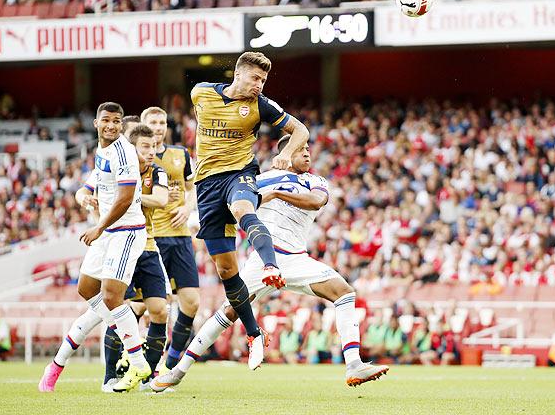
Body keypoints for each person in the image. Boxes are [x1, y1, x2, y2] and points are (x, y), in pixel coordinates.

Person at [151, 136, 388, 392]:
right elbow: (238, 205)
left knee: (344, 292)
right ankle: (178, 370)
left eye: (308, 149)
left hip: (297, 259)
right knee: (227, 312)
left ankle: (353, 364)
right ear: (285, 154)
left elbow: (317, 201)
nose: (307, 154)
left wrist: (276, 194)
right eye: (300, 149)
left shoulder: (315, 181)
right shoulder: (258, 180)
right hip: (263, 260)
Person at [186, 51, 309, 369]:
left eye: (263, 80)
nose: (259, 85)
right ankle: (255, 334)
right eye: (255, 78)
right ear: (237, 75)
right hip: (206, 186)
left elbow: (301, 131)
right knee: (227, 270)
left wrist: (288, 153)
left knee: (243, 207)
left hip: (240, 175)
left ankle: (271, 267)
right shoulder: (200, 93)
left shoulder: (261, 105)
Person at [39, 102, 151, 393]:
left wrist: (99, 226)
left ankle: (138, 363)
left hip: (125, 232)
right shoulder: (102, 152)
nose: (112, 126)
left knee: (113, 297)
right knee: (86, 290)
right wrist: (82, 198)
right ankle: (124, 332)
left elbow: (126, 198)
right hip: (107, 232)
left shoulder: (124, 151)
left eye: (116, 121)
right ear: (96, 123)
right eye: (106, 121)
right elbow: (86, 188)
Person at [101, 122, 171, 392]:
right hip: (122, 245)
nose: (152, 152)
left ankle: (148, 376)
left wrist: (131, 196)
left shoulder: (158, 171)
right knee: (121, 308)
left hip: (149, 246)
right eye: (145, 147)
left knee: (160, 310)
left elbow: (161, 200)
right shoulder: (116, 167)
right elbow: (95, 193)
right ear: (132, 149)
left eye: (154, 146)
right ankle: (110, 375)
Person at [140, 106, 201, 372]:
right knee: (144, 308)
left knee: (191, 302)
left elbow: (192, 189)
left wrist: (187, 210)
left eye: (162, 121)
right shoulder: (137, 160)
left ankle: (170, 364)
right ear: (143, 126)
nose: (158, 126)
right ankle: (137, 364)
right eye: (152, 121)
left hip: (180, 237)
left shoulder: (180, 154)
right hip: (151, 239)